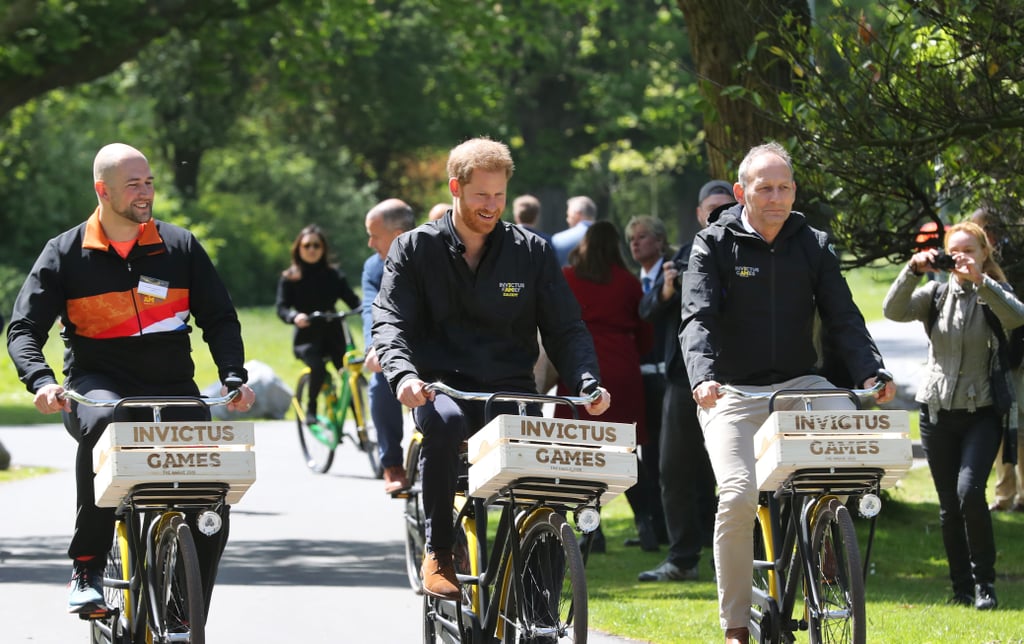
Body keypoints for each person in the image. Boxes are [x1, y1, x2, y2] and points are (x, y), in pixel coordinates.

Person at [6, 143, 257, 614]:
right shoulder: (63, 253)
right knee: (107, 433)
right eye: (133, 185)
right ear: (103, 191)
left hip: (172, 390)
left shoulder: (179, 245)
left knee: (212, 484)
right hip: (98, 388)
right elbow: (22, 329)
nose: (146, 193)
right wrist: (41, 381)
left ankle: (188, 590)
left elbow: (220, 317)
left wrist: (232, 376)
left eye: (150, 182)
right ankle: (86, 566)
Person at [372, 137, 611, 601]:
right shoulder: (414, 249)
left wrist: (586, 381)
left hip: (509, 389)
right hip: (438, 387)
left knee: (541, 477)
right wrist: (402, 375)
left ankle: (537, 584)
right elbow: (390, 321)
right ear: (455, 188)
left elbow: (565, 326)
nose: (492, 205)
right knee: (447, 424)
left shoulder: (532, 251)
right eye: (481, 195)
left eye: (499, 195)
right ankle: (440, 549)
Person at [680, 142, 894, 644]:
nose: (776, 198)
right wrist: (703, 377)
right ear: (741, 193)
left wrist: (870, 373)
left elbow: (843, 316)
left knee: (849, 435)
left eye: (784, 188)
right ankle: (735, 626)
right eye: (764, 188)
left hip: (801, 384)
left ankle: (825, 532)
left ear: (794, 190)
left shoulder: (812, 243)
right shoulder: (712, 244)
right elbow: (697, 319)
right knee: (736, 496)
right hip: (732, 391)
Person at [883, 219, 1024, 610]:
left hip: (982, 413)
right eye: (955, 250)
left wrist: (982, 282)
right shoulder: (935, 294)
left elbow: (1017, 317)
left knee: (969, 494)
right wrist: (911, 270)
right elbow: (892, 311)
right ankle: (961, 587)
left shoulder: (994, 293)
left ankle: (985, 584)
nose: (961, 257)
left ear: (983, 254)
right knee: (948, 507)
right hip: (936, 412)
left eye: (970, 250)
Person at [636, 181, 735, 583]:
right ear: (698, 214)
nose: (717, 216)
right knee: (674, 471)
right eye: (710, 210)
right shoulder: (681, 256)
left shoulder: (747, 254)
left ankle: (728, 559)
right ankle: (682, 558)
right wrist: (666, 290)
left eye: (724, 209)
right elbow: (644, 313)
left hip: (733, 380)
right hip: (683, 381)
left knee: (729, 475)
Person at [556, 220, 653, 554]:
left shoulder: (567, 278)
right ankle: (646, 523)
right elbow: (645, 333)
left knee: (583, 452)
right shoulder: (628, 283)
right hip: (622, 366)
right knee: (623, 450)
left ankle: (589, 529)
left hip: (580, 367)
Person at [276, 225, 361, 426]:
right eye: (307, 245)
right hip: (308, 336)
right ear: (299, 248)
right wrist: (294, 316)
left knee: (349, 375)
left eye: (316, 245)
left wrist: (364, 308)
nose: (312, 249)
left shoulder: (334, 275)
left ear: (323, 249)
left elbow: (352, 300)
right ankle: (311, 407)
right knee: (318, 367)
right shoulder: (290, 277)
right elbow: (281, 307)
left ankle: (361, 424)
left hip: (334, 332)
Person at [623, 215, 672, 552]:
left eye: (642, 237)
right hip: (641, 378)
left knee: (665, 456)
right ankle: (654, 523)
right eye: (631, 239)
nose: (635, 243)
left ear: (659, 240)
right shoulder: (634, 281)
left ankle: (668, 525)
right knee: (647, 453)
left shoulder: (671, 277)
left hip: (666, 376)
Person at [362, 198, 416, 493]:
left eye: (374, 235)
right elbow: (370, 308)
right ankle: (393, 463)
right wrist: (374, 348)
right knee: (380, 381)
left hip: (430, 342)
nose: (370, 243)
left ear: (397, 237)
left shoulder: (436, 254)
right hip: (392, 344)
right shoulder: (373, 267)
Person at [972, 208, 1024, 512]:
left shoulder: (1008, 262)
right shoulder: (982, 268)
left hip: (1016, 361)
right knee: (1004, 430)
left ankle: (1018, 496)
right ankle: (1005, 496)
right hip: (998, 364)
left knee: (1020, 428)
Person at [551, 195, 597, 266]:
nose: (567, 220)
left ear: (577, 214)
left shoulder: (559, 240)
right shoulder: (610, 238)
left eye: (568, 215)